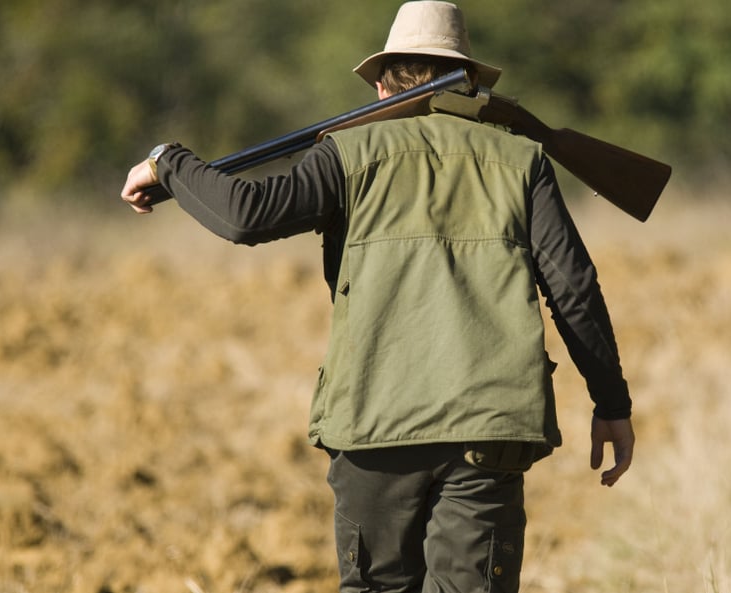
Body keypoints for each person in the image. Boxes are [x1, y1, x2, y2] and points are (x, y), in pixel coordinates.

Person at [120, 2, 635, 592]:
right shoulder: (523, 162)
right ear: (469, 80)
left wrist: (168, 161)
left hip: (373, 424)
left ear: (385, 82)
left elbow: (245, 215)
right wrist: (611, 403)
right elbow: (574, 290)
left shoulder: (346, 153)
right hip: (488, 431)